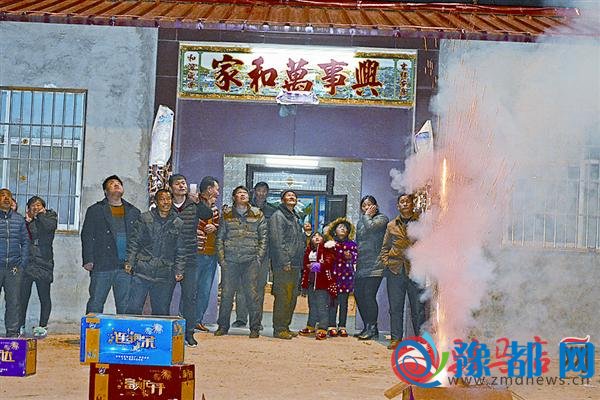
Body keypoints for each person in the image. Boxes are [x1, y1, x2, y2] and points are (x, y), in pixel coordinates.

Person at [81, 175, 140, 315]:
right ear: (105, 191)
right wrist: (88, 259)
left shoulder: (133, 211)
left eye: (119, 183)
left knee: (125, 305)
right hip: (102, 264)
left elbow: (138, 239)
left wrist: (136, 261)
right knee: (96, 302)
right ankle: (92, 329)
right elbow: (87, 235)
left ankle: (124, 329)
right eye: (112, 183)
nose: (116, 185)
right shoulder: (95, 210)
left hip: (126, 266)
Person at [214, 186, 267, 339]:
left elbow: (264, 238)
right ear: (234, 197)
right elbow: (220, 238)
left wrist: (258, 258)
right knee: (227, 295)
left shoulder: (257, 214)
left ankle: (255, 328)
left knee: (252, 295)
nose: (243, 195)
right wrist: (222, 259)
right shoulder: (227, 214)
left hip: (250, 261)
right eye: (239, 193)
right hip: (230, 260)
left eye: (245, 193)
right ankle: (222, 326)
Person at [125, 189, 187, 317]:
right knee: (133, 308)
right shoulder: (145, 218)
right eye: (162, 199)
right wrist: (130, 261)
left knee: (161, 311)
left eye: (168, 199)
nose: (166, 202)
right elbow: (134, 242)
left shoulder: (178, 223)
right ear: (156, 202)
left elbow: (181, 249)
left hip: (164, 274)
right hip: (142, 271)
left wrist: (179, 270)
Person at [170, 173, 212, 347]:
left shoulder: (193, 204)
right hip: (169, 258)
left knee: (190, 297)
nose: (182, 186)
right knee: (164, 297)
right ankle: (165, 333)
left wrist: (198, 201)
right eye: (178, 183)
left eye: (184, 183)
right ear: (171, 188)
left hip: (190, 257)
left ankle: (189, 333)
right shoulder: (166, 204)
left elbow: (207, 214)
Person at [379, 193, 425, 350]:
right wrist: (387, 262)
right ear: (398, 206)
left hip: (416, 270)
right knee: (395, 307)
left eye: (407, 201)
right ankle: (396, 339)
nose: (405, 204)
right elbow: (385, 247)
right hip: (395, 270)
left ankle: (421, 340)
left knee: (418, 308)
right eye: (402, 202)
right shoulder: (391, 225)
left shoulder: (421, 223)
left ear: (412, 204)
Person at [232, 181, 276, 328]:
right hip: (243, 253)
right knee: (241, 286)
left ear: (267, 193)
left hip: (263, 254)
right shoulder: (244, 208)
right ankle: (241, 318)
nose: (261, 193)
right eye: (259, 190)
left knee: (259, 288)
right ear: (254, 192)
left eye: (264, 191)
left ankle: (256, 320)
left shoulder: (272, 211)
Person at [19, 196, 58, 337]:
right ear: (28, 208)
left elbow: (49, 227)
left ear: (44, 207)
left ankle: (43, 326)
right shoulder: (25, 221)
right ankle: (20, 325)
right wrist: (27, 221)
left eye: (38, 205)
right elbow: (22, 237)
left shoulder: (50, 217)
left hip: (44, 261)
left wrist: (39, 215)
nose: (35, 207)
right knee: (22, 297)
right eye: (32, 205)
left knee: (44, 296)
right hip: (27, 262)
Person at [269, 189, 305, 340]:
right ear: (282, 200)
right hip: (284, 264)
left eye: (294, 196)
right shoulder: (278, 216)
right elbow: (277, 241)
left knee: (292, 297)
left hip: (295, 263)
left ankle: (286, 326)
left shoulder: (295, 217)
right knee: (283, 296)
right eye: (288, 195)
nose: (292, 197)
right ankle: (279, 329)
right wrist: (285, 261)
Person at [354, 195, 389, 341]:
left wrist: (367, 216)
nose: (366, 207)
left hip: (375, 264)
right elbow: (358, 241)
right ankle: (366, 326)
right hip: (361, 264)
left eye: (369, 204)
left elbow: (371, 228)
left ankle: (373, 328)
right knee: (359, 295)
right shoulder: (361, 221)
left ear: (376, 206)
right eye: (364, 206)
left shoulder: (382, 219)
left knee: (369, 295)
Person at [0, 188, 30, 337]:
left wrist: (22, 264)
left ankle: (12, 334)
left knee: (14, 302)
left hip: (14, 268)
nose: (6, 198)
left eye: (9, 196)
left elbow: (25, 242)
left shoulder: (19, 219)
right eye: (2, 196)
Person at [193, 176, 220, 332]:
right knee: (191, 290)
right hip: (196, 254)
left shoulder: (215, 209)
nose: (218, 192)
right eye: (216, 189)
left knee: (204, 290)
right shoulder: (194, 205)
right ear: (209, 189)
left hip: (211, 255)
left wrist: (215, 228)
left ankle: (198, 320)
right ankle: (185, 319)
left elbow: (220, 228)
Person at [299, 232, 337, 340]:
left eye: (319, 236)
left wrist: (319, 265)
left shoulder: (327, 249)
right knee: (312, 305)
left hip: (322, 283)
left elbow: (330, 262)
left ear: (323, 239)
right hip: (311, 283)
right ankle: (310, 326)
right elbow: (305, 266)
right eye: (314, 236)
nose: (316, 238)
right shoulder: (308, 250)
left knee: (322, 306)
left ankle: (323, 328)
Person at [324, 217, 357, 338]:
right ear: (334, 230)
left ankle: (342, 326)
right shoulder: (330, 244)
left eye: (345, 228)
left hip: (346, 278)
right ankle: (331, 325)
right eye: (340, 227)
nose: (343, 229)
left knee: (344, 303)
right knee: (332, 302)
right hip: (332, 277)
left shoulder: (352, 245)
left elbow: (355, 257)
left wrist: (350, 256)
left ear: (348, 231)